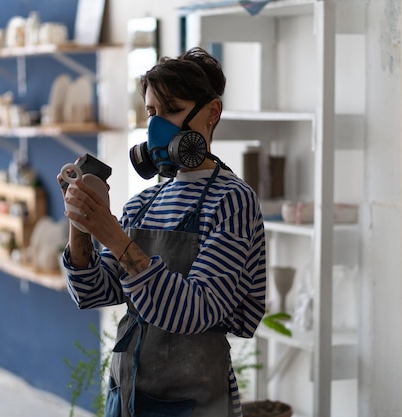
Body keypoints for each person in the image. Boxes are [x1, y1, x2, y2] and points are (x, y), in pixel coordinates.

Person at [60, 47, 266, 417]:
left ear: (211, 113)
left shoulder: (233, 201)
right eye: (152, 112)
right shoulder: (144, 203)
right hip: (126, 395)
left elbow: (195, 310)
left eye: (171, 110)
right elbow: (92, 292)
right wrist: (81, 225)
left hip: (195, 402)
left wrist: (114, 236)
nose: (157, 126)